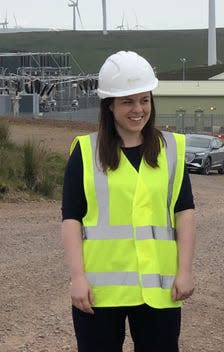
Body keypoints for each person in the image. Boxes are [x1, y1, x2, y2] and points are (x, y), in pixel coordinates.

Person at [61, 51, 195, 352]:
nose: (138, 109)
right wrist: (77, 278)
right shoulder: (86, 151)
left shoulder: (172, 149)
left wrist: (184, 270)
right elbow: (71, 218)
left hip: (158, 290)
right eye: (127, 101)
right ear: (109, 106)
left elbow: (184, 212)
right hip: (100, 291)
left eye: (144, 100)